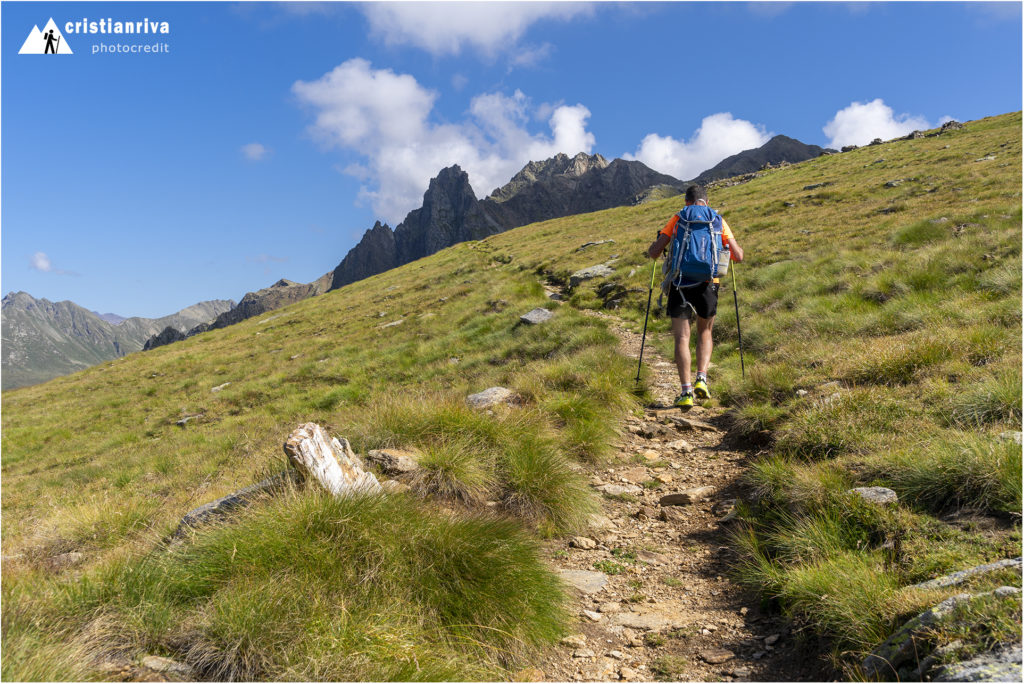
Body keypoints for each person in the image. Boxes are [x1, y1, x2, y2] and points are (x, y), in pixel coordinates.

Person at [646, 184, 744, 410]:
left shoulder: (679, 217)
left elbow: (653, 252)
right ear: (706, 202)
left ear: (686, 201)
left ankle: (686, 391)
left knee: (682, 338)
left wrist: (657, 244)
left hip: (680, 282)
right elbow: (738, 256)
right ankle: (702, 378)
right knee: (705, 331)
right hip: (709, 284)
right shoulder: (718, 219)